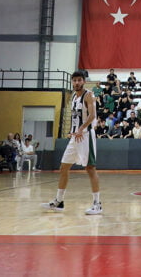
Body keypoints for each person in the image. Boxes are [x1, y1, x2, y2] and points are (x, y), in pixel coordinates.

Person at [43, 70, 102, 215]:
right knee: (64, 167)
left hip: (86, 136)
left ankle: (97, 204)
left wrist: (81, 129)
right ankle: (59, 201)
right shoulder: (74, 97)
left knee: (90, 169)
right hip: (75, 137)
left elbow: (93, 115)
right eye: (74, 80)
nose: (77, 82)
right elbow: (75, 118)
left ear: (84, 81)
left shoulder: (88, 95)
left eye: (79, 80)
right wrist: (72, 131)